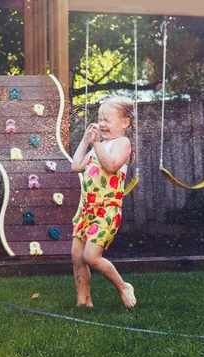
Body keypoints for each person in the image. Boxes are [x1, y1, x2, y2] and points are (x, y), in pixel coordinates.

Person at [70, 95, 137, 309]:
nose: (102, 124)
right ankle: (84, 301)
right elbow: (76, 166)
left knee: (91, 256)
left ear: (125, 122)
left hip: (106, 211)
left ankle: (123, 286)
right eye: (100, 119)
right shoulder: (97, 146)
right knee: (77, 256)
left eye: (107, 119)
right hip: (87, 210)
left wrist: (97, 143)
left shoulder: (122, 143)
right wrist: (86, 140)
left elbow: (110, 166)